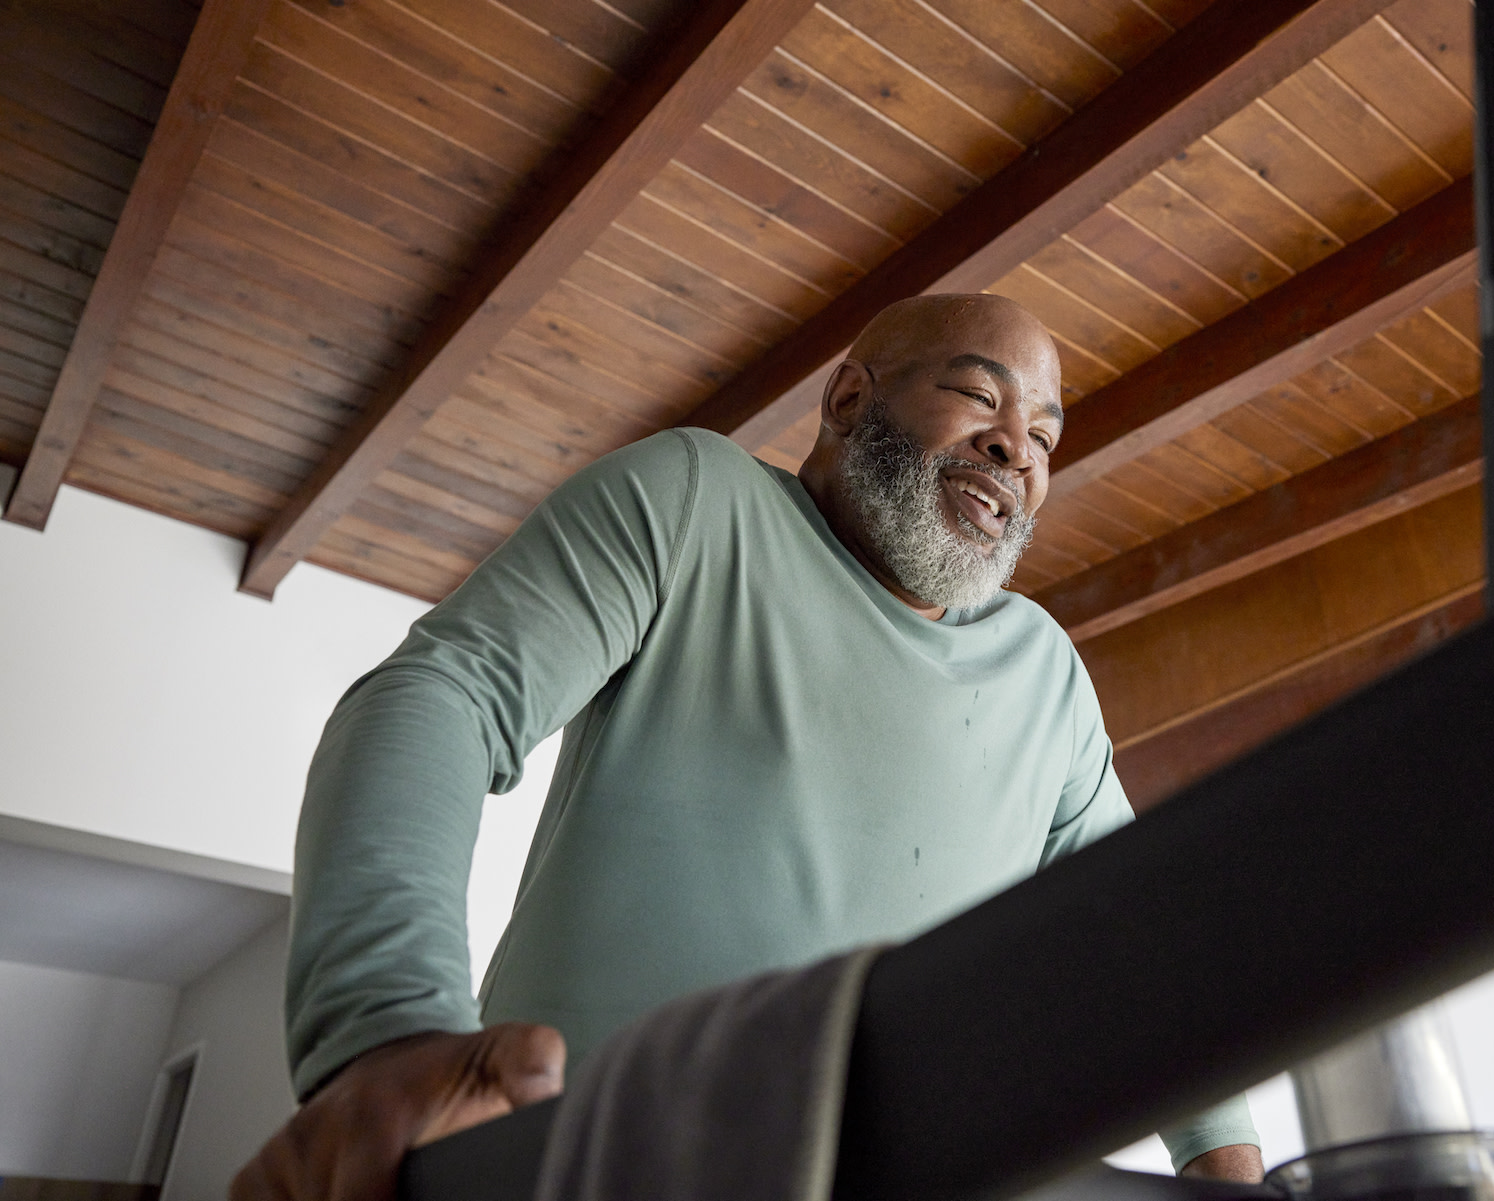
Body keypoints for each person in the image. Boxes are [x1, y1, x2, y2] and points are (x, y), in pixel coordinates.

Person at [232, 294, 1262, 1199]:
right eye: (981, 398)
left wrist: (1228, 1177)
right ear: (850, 399)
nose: (1017, 450)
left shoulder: (1046, 675)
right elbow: (442, 697)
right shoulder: (698, 499)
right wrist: (387, 1033)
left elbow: (1137, 941)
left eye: (1045, 435)